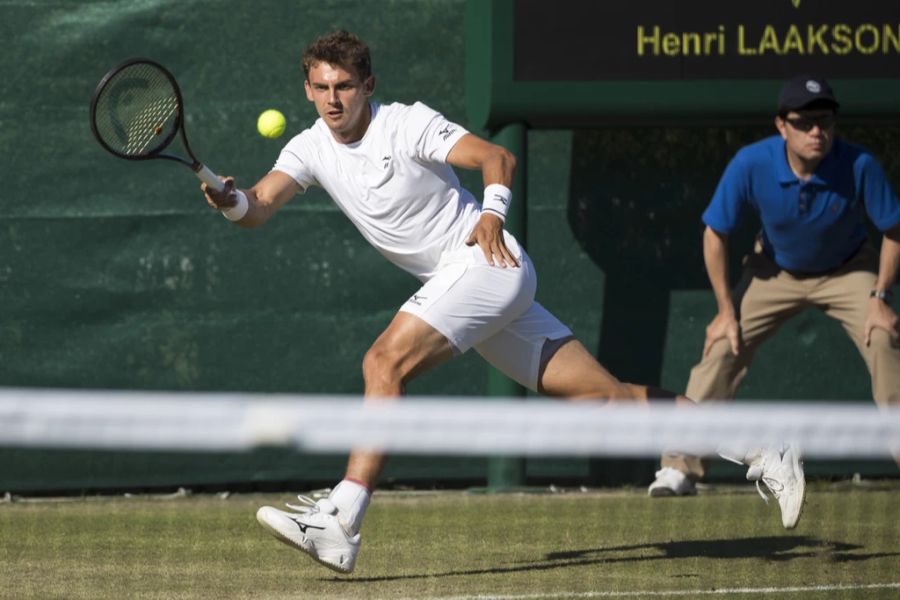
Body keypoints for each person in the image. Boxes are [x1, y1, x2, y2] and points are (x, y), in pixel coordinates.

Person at [202, 31, 791, 574]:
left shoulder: (407, 124)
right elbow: (258, 206)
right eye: (322, 87)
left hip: (487, 262)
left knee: (383, 363)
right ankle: (760, 446)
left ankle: (342, 520)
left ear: (368, 87)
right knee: (607, 400)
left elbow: (496, 158)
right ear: (307, 89)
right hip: (467, 287)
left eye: (345, 86)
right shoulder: (309, 147)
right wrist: (229, 199)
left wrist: (491, 212)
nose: (333, 99)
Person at [648, 75, 900, 513]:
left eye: (825, 121)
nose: (817, 131)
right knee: (722, 345)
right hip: (774, 270)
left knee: (883, 339)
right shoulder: (751, 163)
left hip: (848, 270)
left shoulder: (859, 164)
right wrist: (726, 310)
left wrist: (880, 295)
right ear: (782, 126)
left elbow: (893, 230)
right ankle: (679, 466)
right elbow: (715, 234)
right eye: (805, 122)